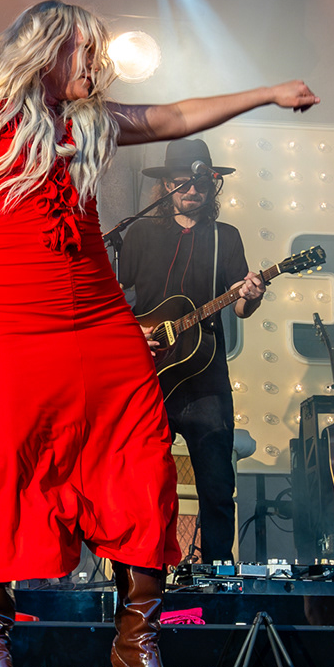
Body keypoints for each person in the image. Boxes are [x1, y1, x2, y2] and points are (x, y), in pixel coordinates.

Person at [0, 0, 319, 667]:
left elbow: (172, 118)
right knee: (5, 465)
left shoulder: (91, 124)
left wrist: (264, 92)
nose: (99, 66)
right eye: (85, 52)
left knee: (142, 456)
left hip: (101, 325)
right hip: (17, 329)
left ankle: (138, 636)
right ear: (46, 52)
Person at [115, 140, 265, 566]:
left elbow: (240, 305)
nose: (192, 191)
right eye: (183, 183)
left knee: (216, 485)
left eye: (200, 183)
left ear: (211, 185)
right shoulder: (140, 233)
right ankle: (141, 567)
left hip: (204, 380)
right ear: (166, 185)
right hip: (149, 376)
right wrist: (131, 333)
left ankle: (217, 571)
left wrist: (252, 295)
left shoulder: (224, 237)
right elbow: (114, 297)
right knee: (143, 482)